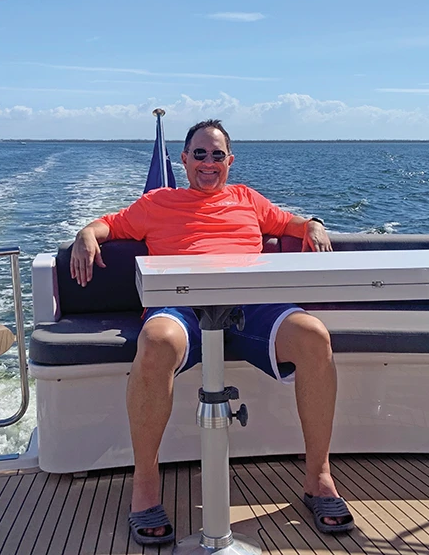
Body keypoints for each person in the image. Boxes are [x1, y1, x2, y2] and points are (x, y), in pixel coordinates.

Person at [70, 119, 354, 545]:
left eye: (216, 155)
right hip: (182, 308)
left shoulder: (247, 200)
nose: (208, 162)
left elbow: (289, 223)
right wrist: (86, 234)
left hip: (249, 307)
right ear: (184, 160)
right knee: (156, 341)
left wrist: (312, 223)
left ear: (230, 161)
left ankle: (319, 477)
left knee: (314, 336)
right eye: (199, 154)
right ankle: (145, 484)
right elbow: (108, 225)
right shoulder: (156, 203)